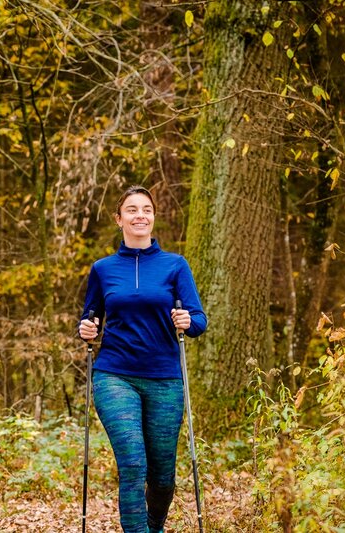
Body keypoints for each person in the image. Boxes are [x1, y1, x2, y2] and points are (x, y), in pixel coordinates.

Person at [78, 185, 207, 533]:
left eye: (146, 209)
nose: (140, 215)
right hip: (114, 375)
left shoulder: (175, 265)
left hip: (165, 378)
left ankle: (154, 525)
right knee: (133, 463)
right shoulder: (103, 269)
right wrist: (86, 329)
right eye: (132, 210)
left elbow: (199, 320)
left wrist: (188, 321)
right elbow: (90, 317)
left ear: (153, 217)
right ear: (119, 219)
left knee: (162, 476)